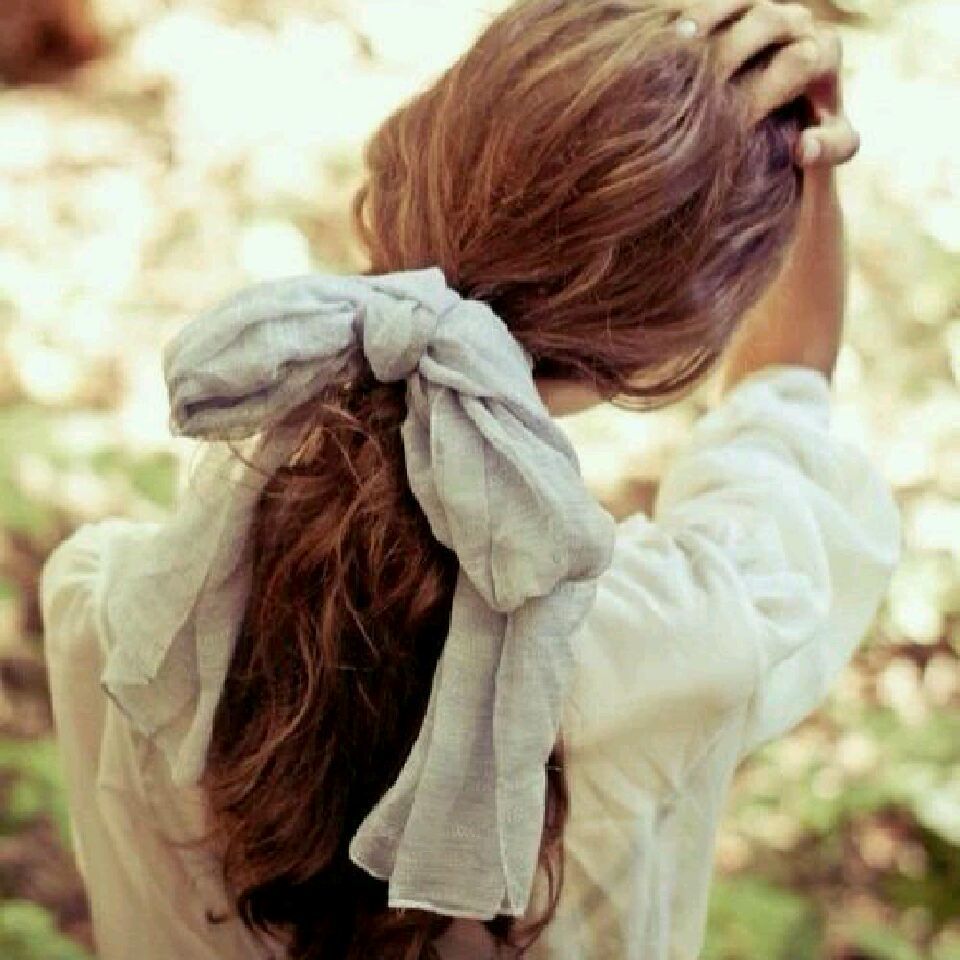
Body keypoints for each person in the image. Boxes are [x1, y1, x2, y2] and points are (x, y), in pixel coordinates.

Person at [39, 1, 901, 958]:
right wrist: (806, 161)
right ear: (667, 351)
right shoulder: (684, 637)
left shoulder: (118, 624)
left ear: (396, 185)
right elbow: (784, 394)